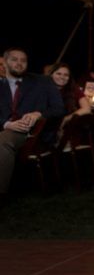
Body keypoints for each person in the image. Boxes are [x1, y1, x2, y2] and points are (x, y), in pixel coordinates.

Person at [1, 48, 65, 199]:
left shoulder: (42, 81)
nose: (19, 63)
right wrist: (6, 124)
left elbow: (59, 108)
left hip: (30, 131)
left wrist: (39, 114)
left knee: (2, 141)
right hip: (7, 127)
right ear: (4, 62)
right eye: (14, 59)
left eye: (23, 60)